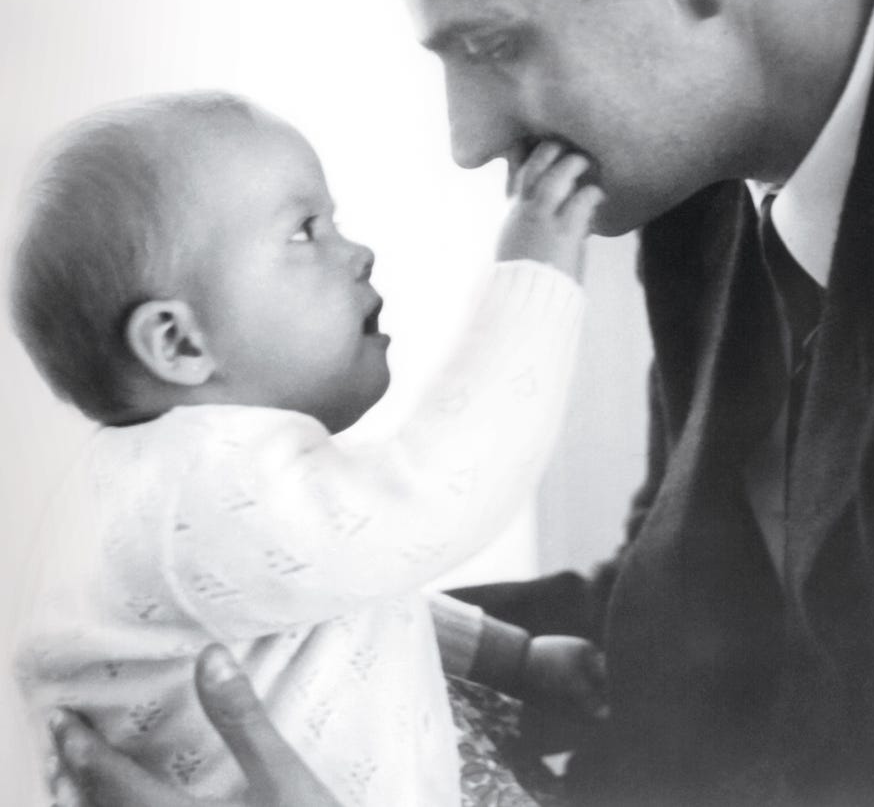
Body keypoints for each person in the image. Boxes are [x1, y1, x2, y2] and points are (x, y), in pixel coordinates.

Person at [47, 0, 874, 802]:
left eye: (490, 44)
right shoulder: (701, 169)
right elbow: (679, 624)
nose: (466, 140)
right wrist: (226, 669)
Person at [10, 91, 608, 807]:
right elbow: (429, 498)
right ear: (177, 342)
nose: (358, 254)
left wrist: (511, 659)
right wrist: (534, 276)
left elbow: (337, 601)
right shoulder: (188, 491)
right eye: (305, 231)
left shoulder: (176, 497)